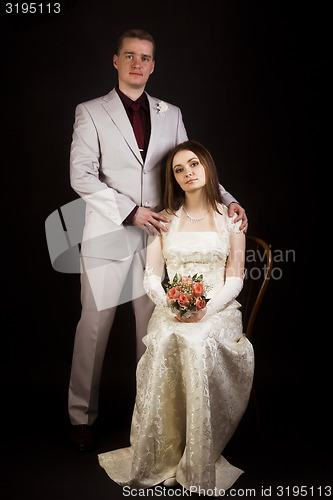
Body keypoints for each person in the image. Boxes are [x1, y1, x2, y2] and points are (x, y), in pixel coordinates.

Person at [68, 29, 248, 452]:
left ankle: (147, 416)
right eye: (129, 56)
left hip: (160, 237)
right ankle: (80, 416)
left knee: (151, 331)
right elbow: (81, 174)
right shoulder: (90, 111)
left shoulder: (171, 112)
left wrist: (231, 200)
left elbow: (192, 164)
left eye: (145, 58)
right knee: (94, 327)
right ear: (116, 61)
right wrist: (130, 211)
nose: (137, 64)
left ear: (153, 64)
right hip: (109, 233)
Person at [98, 141, 254, 494]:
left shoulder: (231, 218)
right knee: (168, 336)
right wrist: (171, 305)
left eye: (193, 164)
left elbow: (235, 278)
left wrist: (205, 308)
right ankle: (164, 450)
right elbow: (152, 276)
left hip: (219, 308)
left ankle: (197, 460)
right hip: (173, 307)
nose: (187, 173)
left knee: (197, 342)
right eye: (178, 170)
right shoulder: (165, 220)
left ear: (208, 167)